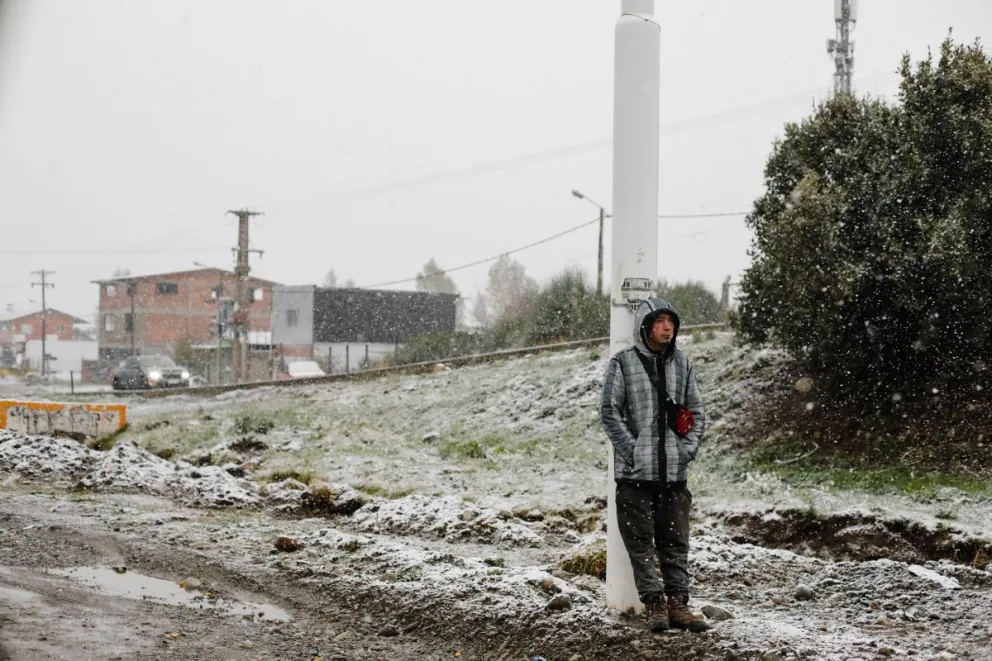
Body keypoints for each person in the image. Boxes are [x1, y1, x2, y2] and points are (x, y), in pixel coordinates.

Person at [599, 298, 710, 633]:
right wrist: (633, 452)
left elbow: (698, 413)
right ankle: (654, 605)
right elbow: (610, 411)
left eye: (670, 321)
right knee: (641, 543)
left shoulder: (683, 364)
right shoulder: (622, 363)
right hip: (635, 476)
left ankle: (679, 604)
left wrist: (685, 452)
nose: (667, 327)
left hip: (674, 474)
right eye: (659, 321)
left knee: (675, 542)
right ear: (645, 327)